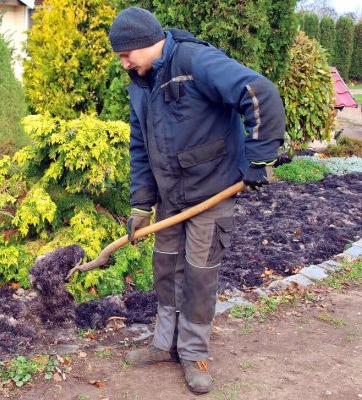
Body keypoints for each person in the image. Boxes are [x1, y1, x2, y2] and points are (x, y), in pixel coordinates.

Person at [108, 7, 286, 394]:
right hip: (173, 199)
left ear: (147, 43)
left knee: (200, 275)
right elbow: (141, 148)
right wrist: (142, 203)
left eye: (126, 54)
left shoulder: (196, 61)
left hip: (212, 192)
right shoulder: (139, 84)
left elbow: (259, 93)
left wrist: (260, 157)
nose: (123, 63)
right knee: (166, 268)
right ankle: (163, 343)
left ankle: (193, 352)